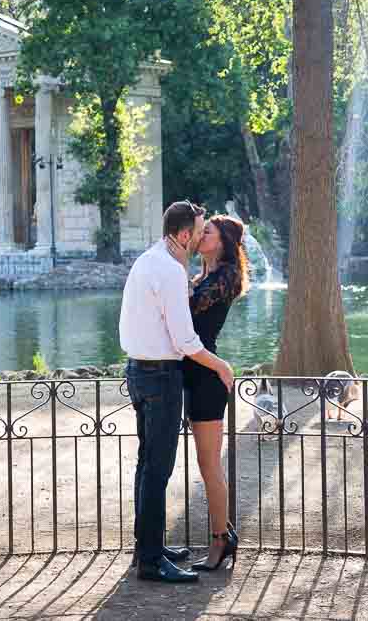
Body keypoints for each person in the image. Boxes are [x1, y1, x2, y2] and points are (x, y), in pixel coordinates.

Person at [119, 201, 235, 584]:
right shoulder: (171, 270)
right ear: (185, 235)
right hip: (162, 376)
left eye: (209, 233)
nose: (202, 236)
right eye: (200, 231)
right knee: (156, 470)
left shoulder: (148, 260)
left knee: (147, 465)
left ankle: (148, 548)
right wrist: (221, 366)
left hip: (139, 370)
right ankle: (151, 558)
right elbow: (185, 339)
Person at [183, 215, 249, 571]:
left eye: (205, 232)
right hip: (194, 374)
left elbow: (184, 314)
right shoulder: (202, 277)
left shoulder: (224, 278)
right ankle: (224, 535)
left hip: (207, 376)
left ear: (222, 241)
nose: (198, 235)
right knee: (205, 463)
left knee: (209, 465)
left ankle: (220, 541)